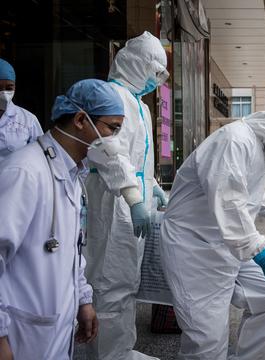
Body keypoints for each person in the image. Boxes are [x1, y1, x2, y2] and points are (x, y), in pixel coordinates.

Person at [160, 96, 265, 359]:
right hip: (195, 249)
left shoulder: (256, 145)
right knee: (206, 341)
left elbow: (247, 194)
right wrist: (263, 256)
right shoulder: (234, 141)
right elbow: (229, 203)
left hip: (227, 244)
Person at [0, 79, 124, 359]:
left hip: (53, 332)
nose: (115, 140)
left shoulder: (71, 175)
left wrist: (84, 300)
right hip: (20, 336)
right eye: (112, 128)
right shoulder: (24, 172)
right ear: (81, 119)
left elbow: (70, 249)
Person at [83, 31, 169, 360]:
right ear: (135, 64)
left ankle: (121, 350)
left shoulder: (141, 106)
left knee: (128, 286)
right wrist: (133, 197)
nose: (155, 80)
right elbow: (109, 152)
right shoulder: (112, 96)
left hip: (133, 206)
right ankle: (106, 355)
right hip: (112, 205)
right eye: (154, 71)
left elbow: (138, 159)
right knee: (109, 285)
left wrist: (152, 187)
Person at [0, 58, 43, 163]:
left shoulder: (28, 120)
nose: (4, 93)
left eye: (9, 88)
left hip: (14, 178)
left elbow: (40, 156)